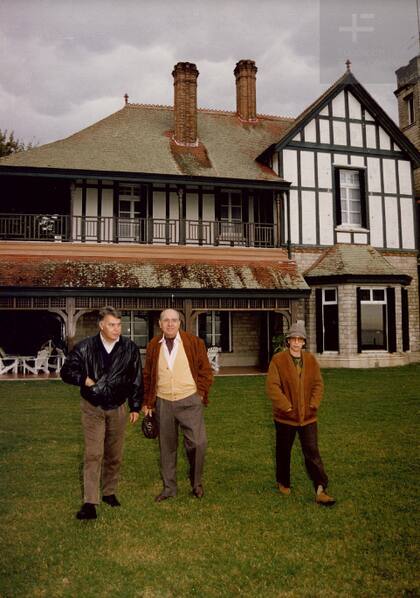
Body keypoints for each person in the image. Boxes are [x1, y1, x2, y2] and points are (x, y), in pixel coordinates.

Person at [60, 306, 143, 520]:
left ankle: (109, 492)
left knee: (114, 454)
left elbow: (136, 379)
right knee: (93, 453)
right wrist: (85, 380)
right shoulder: (85, 347)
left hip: (118, 408)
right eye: (112, 325)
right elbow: (66, 371)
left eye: (119, 325)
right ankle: (90, 502)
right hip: (92, 408)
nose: (117, 329)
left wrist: (135, 406)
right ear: (101, 326)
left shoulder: (130, 348)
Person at [143, 308, 213, 502]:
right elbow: (148, 375)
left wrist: (199, 394)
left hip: (190, 400)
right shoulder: (153, 346)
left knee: (198, 443)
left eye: (174, 320)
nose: (170, 324)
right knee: (167, 447)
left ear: (180, 323)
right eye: (166, 320)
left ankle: (196, 483)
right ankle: (169, 488)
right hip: (163, 401)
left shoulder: (194, 343)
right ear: (160, 324)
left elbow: (206, 371)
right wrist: (148, 402)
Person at [266, 322, 335, 506]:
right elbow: (272, 387)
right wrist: (286, 406)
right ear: (288, 341)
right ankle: (283, 481)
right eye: (293, 339)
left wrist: (313, 404)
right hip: (285, 417)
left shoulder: (311, 360)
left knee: (312, 452)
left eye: (300, 340)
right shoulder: (278, 360)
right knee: (283, 451)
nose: (296, 343)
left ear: (304, 342)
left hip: (308, 417)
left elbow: (318, 384)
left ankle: (321, 488)